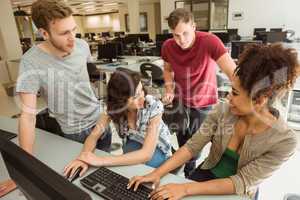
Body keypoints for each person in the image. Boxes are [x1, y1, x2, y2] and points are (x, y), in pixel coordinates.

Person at [128, 43, 299, 200]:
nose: (228, 97)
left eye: (235, 93)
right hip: (207, 174)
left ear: (260, 100)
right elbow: (191, 147)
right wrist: (157, 173)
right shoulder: (223, 110)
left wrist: (185, 189)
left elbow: (241, 182)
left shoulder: (284, 141)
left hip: (238, 191)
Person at [0, 0, 111, 197]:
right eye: (64, 33)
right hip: (75, 133)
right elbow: (27, 117)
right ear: (44, 33)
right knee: (83, 188)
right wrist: (24, 170)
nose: (72, 38)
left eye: (73, 30)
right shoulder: (31, 63)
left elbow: (86, 76)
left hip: (101, 124)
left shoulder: (82, 46)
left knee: (107, 178)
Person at [161, 8, 236, 177]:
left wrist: (241, 97)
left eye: (185, 33)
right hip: (180, 101)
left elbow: (233, 73)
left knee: (195, 147)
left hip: (204, 103)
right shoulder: (168, 46)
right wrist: (169, 88)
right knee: (183, 142)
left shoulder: (210, 41)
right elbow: (167, 70)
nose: (181, 40)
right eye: (176, 35)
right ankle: (185, 170)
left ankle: (190, 173)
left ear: (194, 26)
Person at [64, 68, 172, 178]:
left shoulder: (153, 106)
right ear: (121, 100)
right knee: (124, 172)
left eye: (141, 91)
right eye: (135, 96)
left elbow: (146, 154)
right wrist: (84, 158)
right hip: (134, 143)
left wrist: (101, 160)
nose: (142, 98)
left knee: (136, 173)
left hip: (159, 148)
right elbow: (93, 136)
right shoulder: (113, 109)